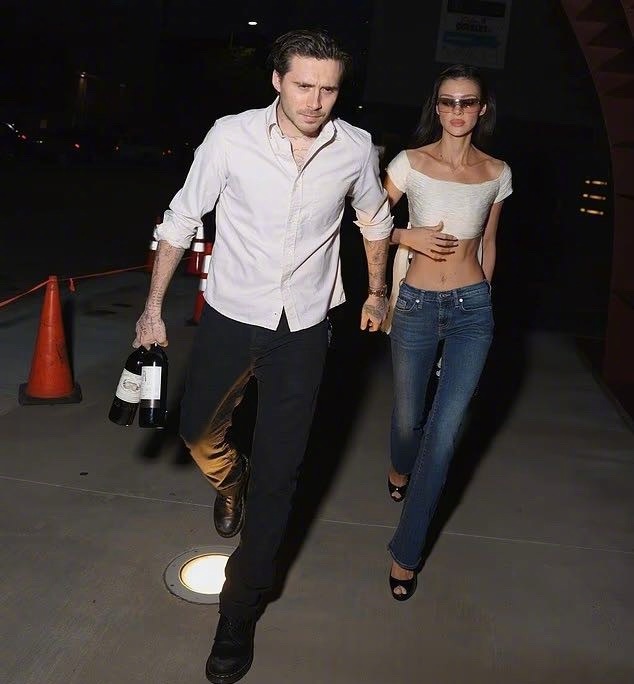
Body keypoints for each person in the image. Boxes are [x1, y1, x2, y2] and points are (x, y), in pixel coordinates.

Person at [133, 29, 392, 683]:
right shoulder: (230, 137)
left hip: (304, 328)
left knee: (283, 477)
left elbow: (375, 219)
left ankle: (238, 614)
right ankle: (230, 478)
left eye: (329, 89)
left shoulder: (354, 148)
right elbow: (181, 218)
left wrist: (378, 291)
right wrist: (152, 309)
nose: (316, 101)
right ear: (277, 81)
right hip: (231, 315)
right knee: (197, 434)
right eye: (303, 85)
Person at [381, 64, 512, 600]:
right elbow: (368, 221)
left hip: (472, 311)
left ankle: (406, 553)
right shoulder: (410, 163)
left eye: (468, 102)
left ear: (482, 109)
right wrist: (405, 236)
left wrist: (485, 300)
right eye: (448, 101)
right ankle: (398, 467)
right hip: (415, 305)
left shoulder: (497, 172)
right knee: (408, 418)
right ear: (436, 108)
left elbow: (489, 244)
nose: (457, 111)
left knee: (443, 434)